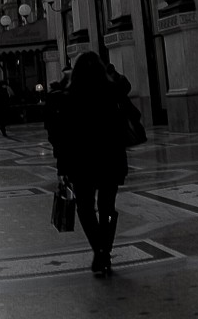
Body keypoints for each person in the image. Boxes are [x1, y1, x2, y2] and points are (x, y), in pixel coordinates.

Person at [56, 53, 135, 275]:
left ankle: (99, 251)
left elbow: (63, 138)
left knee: (85, 208)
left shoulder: (68, 97)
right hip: (111, 159)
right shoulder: (112, 92)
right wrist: (109, 69)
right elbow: (124, 83)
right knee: (107, 208)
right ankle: (105, 252)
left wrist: (62, 169)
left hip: (82, 164)